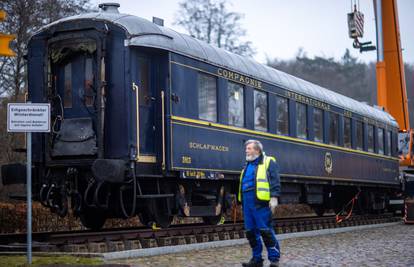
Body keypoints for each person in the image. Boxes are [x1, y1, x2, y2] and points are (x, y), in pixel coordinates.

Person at [238, 140, 281, 267]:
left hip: (260, 202)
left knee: (265, 231)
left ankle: (274, 260)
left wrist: (274, 197)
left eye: (249, 148)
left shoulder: (268, 162)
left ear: (257, 150)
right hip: (247, 202)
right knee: (251, 232)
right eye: (246, 148)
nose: (246, 150)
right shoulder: (247, 165)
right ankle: (257, 259)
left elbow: (275, 180)